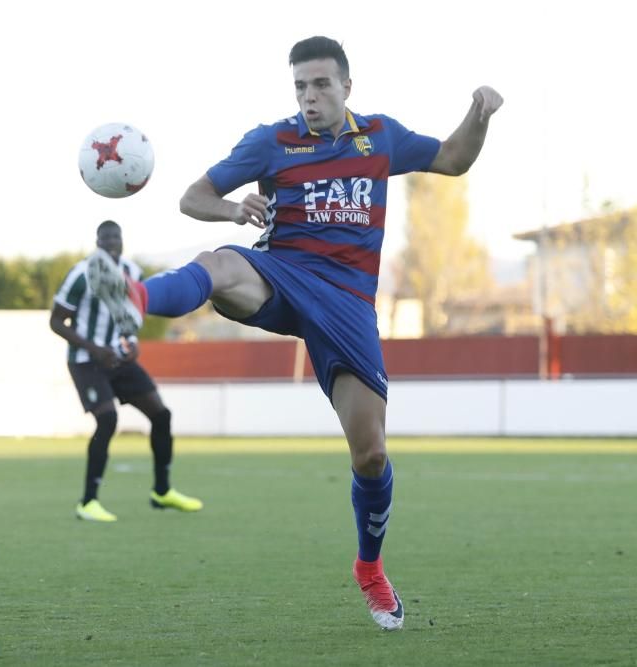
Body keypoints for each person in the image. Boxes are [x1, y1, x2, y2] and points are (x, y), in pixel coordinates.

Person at [86, 37, 503, 630]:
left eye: (320, 85)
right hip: (281, 274)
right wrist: (234, 212)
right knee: (222, 262)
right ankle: (137, 297)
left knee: (371, 453)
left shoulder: (380, 137)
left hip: (349, 304)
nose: (309, 97)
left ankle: (369, 567)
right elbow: (193, 197)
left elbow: (455, 158)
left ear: (346, 87)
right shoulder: (271, 140)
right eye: (300, 87)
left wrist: (479, 114)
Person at [50, 220, 203, 522]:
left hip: (119, 359)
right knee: (107, 418)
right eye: (104, 238)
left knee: (162, 415)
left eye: (115, 237)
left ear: (122, 241)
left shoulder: (133, 273)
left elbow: (130, 317)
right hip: (86, 360)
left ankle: (162, 490)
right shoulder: (80, 274)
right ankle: (88, 502)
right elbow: (56, 322)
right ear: (96, 242)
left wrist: (132, 343)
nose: (110, 242)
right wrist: (95, 349)